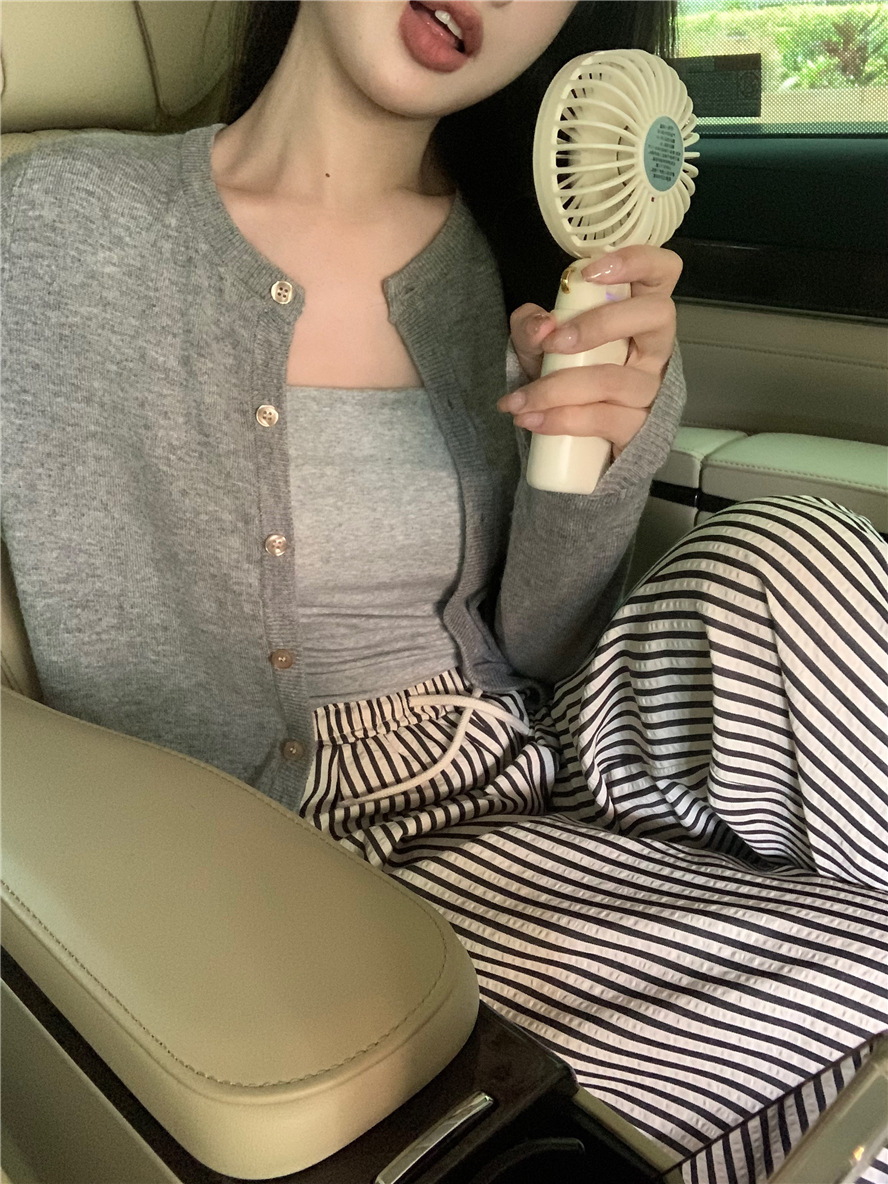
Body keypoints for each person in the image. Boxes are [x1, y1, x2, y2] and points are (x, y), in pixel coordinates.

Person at [2, 3, 886, 1181]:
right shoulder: (56, 218)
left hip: (536, 767)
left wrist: (606, 452)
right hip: (285, 867)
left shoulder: (520, 260)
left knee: (801, 551)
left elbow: (542, 645)